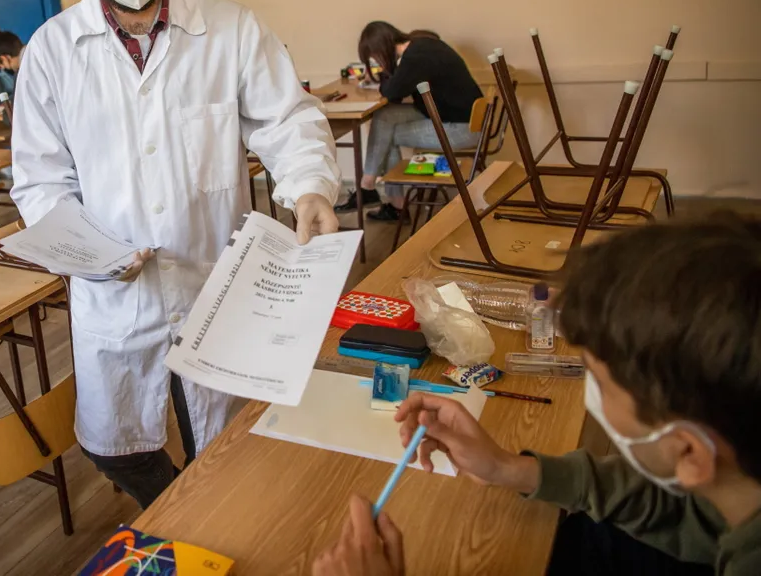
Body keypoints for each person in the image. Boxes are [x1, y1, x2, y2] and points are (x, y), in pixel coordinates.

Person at [11, 0, 342, 509]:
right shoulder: (52, 51)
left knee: (225, 445)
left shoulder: (230, 27)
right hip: (117, 295)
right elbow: (39, 179)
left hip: (214, 282)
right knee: (115, 447)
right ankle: (178, 514)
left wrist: (309, 186)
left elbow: (288, 120)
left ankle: (211, 523)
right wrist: (86, 250)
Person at [313, 215, 761, 575]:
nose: (590, 391)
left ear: (689, 452)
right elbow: (688, 513)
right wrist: (510, 468)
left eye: (600, 383)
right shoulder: (737, 493)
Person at [337, 22, 482, 221]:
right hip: (456, 116)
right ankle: (371, 188)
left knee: (387, 135)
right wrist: (386, 76)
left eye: (375, 57)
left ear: (380, 49)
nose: (377, 62)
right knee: (385, 115)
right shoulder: (421, 45)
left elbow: (391, 92)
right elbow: (398, 90)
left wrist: (383, 76)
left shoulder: (415, 56)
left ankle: (384, 198)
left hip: (462, 128)